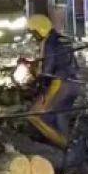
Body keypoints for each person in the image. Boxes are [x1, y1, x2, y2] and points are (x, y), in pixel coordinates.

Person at [25, 14, 81, 148]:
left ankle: (62, 145)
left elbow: (46, 70)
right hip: (74, 84)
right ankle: (67, 145)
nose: (34, 37)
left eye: (34, 33)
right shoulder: (62, 39)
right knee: (60, 114)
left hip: (59, 85)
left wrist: (33, 73)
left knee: (34, 115)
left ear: (40, 29)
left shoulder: (49, 42)